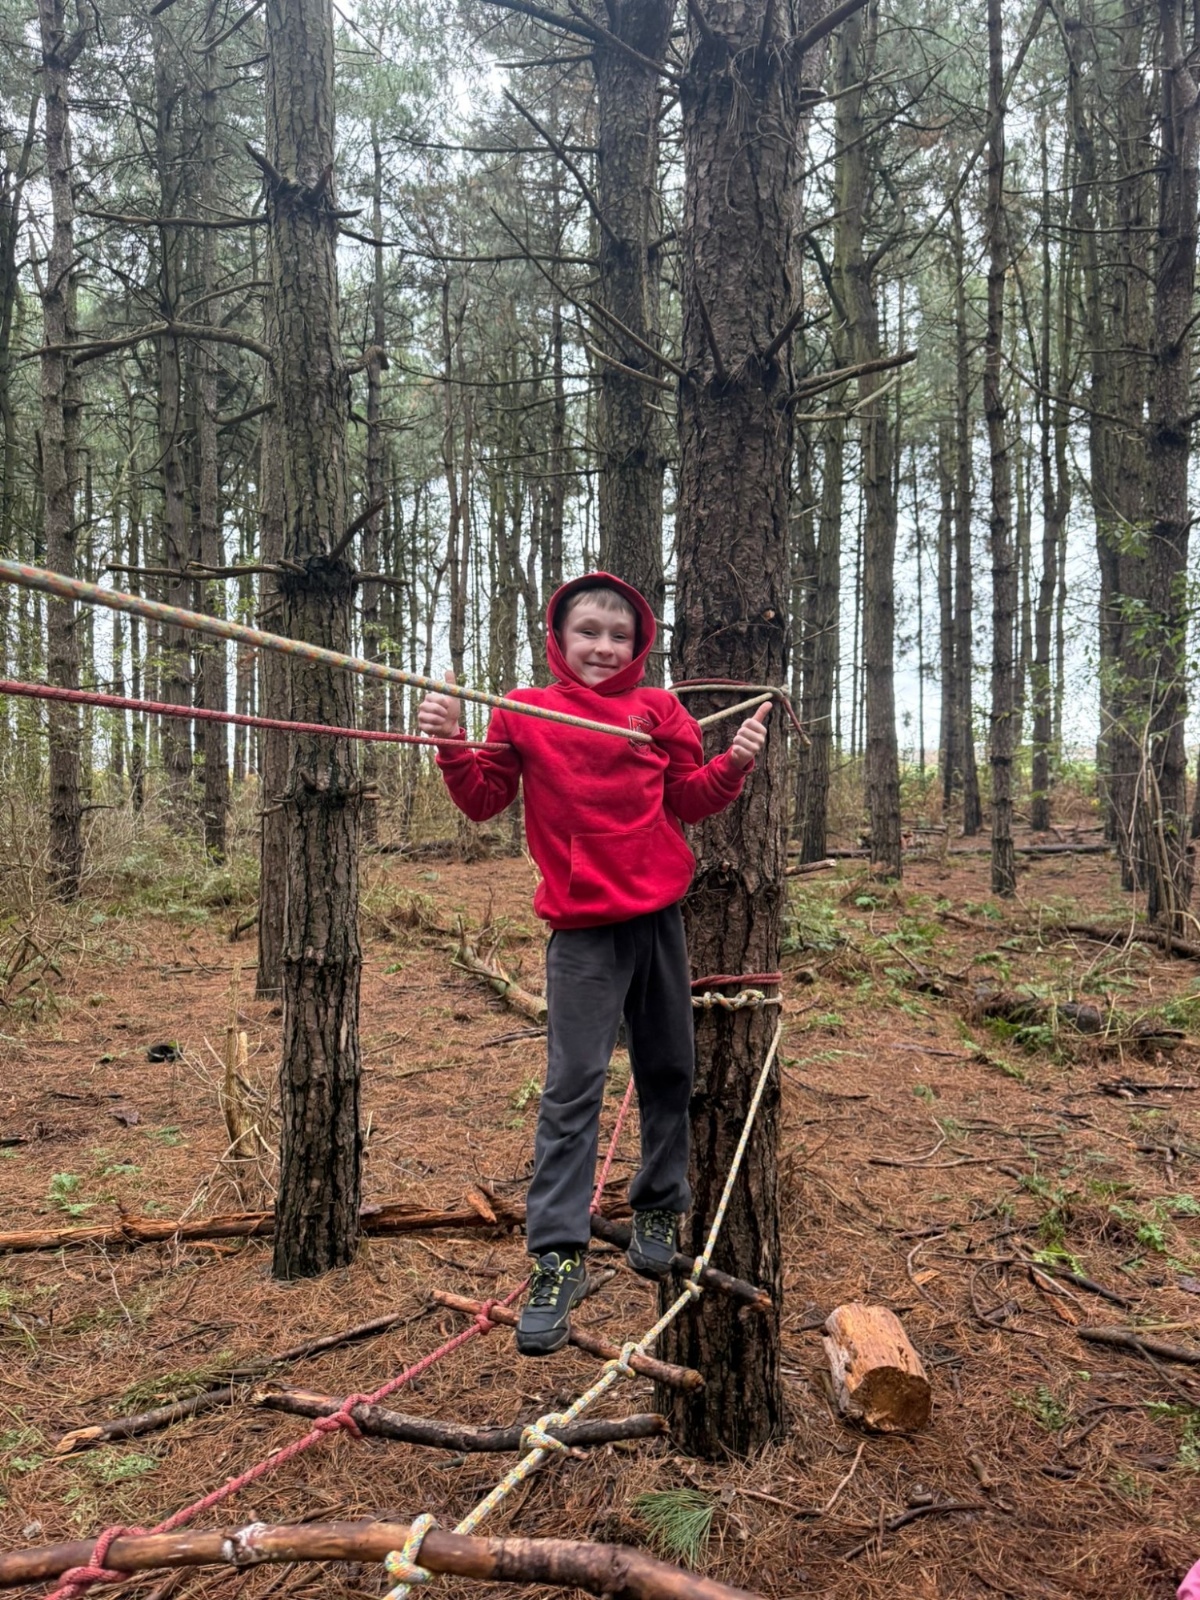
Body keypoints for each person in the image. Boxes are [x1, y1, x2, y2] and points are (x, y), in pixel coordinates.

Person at [417, 573, 769, 1355]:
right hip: (581, 932)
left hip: (658, 921)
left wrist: (734, 765)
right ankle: (556, 1257)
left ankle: (658, 1205)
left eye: (620, 635)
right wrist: (450, 742)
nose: (604, 647)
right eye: (588, 633)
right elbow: (483, 799)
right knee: (572, 1087)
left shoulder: (659, 711)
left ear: (639, 644)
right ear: (559, 638)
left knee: (669, 1068)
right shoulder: (525, 709)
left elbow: (690, 799)